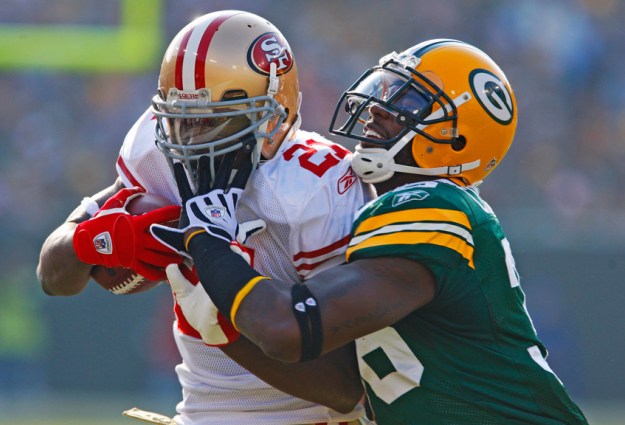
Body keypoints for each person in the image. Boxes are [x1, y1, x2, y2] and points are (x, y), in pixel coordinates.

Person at [154, 39, 590, 424]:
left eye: (410, 100)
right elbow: (343, 387)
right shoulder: (398, 214)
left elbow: (288, 327)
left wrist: (209, 241)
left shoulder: (435, 206)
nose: (380, 107)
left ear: (457, 138)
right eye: (386, 90)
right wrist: (224, 326)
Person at [37, 10, 372, 425]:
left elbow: (347, 388)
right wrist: (94, 240)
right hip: (198, 414)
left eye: (213, 120)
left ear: (273, 111)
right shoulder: (157, 150)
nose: (192, 138)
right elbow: (52, 277)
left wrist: (226, 324)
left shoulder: (316, 185)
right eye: (182, 119)